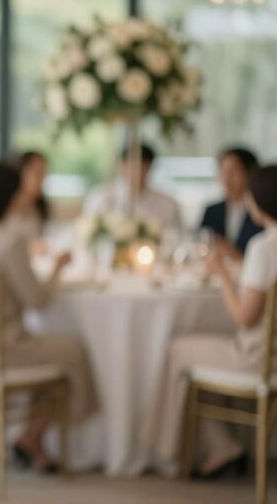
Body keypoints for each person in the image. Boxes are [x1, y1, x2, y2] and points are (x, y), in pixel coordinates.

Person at [0, 163, 97, 472]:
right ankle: (34, 436)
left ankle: (30, 440)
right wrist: (58, 268)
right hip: (3, 350)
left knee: (52, 354)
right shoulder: (8, 241)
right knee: (74, 351)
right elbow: (38, 301)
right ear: (12, 196)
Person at [151, 165, 277, 478]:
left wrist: (221, 276)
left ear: (260, 201)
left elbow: (244, 318)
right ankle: (227, 444)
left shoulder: (263, 247)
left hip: (258, 358)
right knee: (200, 350)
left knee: (177, 350)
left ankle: (185, 451)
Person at [83, 143, 182, 229]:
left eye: (143, 166)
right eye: (130, 165)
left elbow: (178, 235)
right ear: (122, 165)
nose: (136, 171)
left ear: (150, 167)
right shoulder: (101, 197)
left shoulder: (167, 203)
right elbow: (88, 229)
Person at [200, 147, 262, 259]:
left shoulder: (261, 212)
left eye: (233, 171)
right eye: (223, 171)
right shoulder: (212, 211)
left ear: (250, 173)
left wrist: (231, 252)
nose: (226, 178)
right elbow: (199, 242)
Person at [10, 150, 50, 241]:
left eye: (44, 174)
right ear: (21, 173)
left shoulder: (39, 207)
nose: (43, 180)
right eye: (38, 173)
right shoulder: (6, 208)